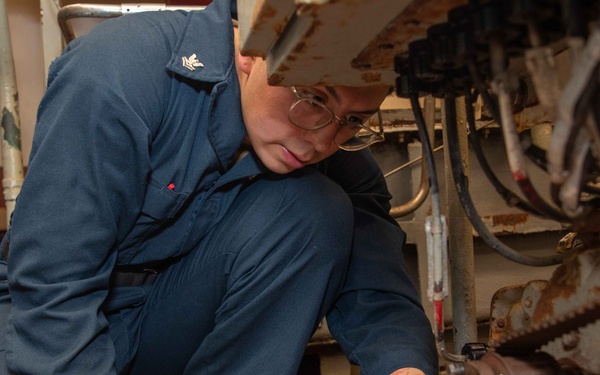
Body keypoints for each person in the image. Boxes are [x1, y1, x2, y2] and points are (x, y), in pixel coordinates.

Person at [0, 0, 438, 373]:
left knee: (312, 212)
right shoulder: (119, 72)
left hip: (160, 326)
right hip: (50, 332)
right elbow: (52, 288)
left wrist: (404, 365)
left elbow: (376, 285)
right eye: (315, 99)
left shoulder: (334, 152)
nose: (323, 140)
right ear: (251, 49)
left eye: (355, 121)